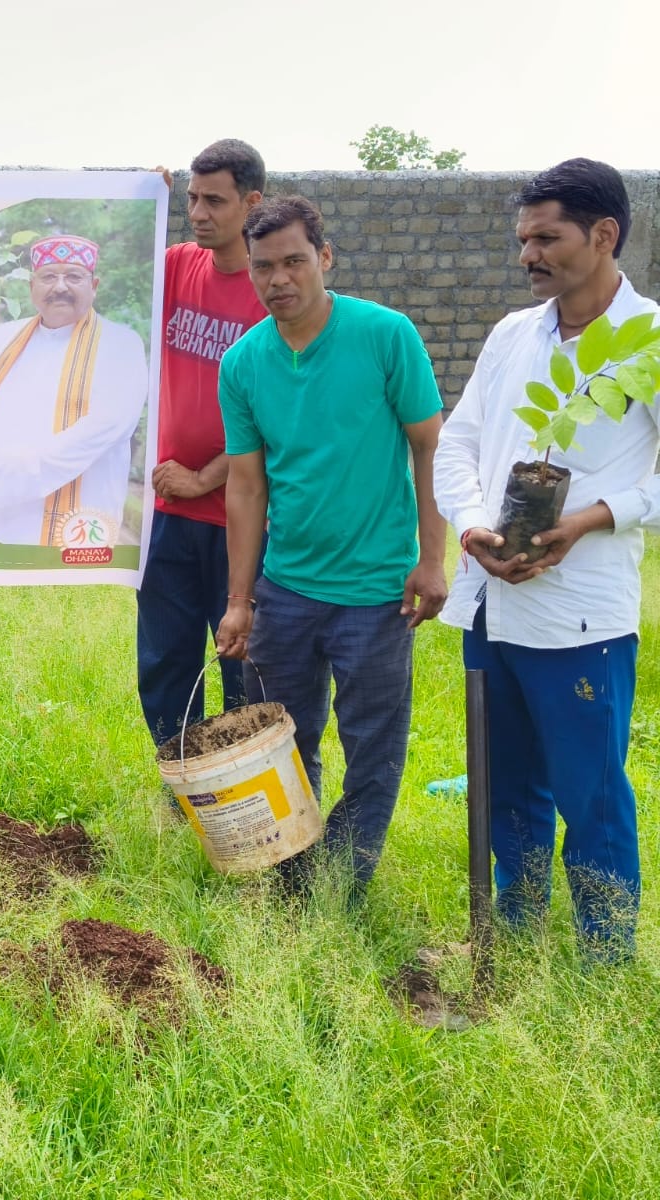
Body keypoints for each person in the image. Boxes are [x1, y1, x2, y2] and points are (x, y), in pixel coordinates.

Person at [433, 159, 658, 961]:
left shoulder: (649, 342)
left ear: (603, 236)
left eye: (546, 238)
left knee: (590, 794)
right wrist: (468, 525)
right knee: (504, 788)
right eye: (522, 239)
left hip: (581, 618)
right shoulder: (511, 336)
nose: (528, 255)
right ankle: (514, 936)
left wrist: (596, 516)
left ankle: (604, 960)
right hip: (492, 605)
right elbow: (458, 443)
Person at [215, 195, 447, 894]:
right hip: (284, 591)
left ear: (325, 258)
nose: (280, 278)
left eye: (294, 261)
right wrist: (239, 602)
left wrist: (431, 559)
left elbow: (431, 446)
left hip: (378, 594)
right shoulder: (244, 362)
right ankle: (294, 884)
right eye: (264, 267)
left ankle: (342, 889)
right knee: (284, 745)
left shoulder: (385, 335)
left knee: (373, 752)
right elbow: (247, 488)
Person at [137, 139, 268, 747]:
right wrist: (142, 205)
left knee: (247, 665)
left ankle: (253, 797)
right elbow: (116, 281)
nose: (198, 212)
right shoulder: (179, 266)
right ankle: (182, 787)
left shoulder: (271, 294)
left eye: (214, 200)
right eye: (191, 198)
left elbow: (274, 416)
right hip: (167, 511)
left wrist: (203, 477)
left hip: (240, 515)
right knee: (165, 660)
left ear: (252, 203)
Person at [0, 234, 148, 546]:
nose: (60, 287)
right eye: (49, 276)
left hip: (65, 525)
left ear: (95, 285)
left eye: (74, 276)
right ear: (31, 287)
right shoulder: (1, 337)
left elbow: (101, 430)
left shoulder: (120, 345)